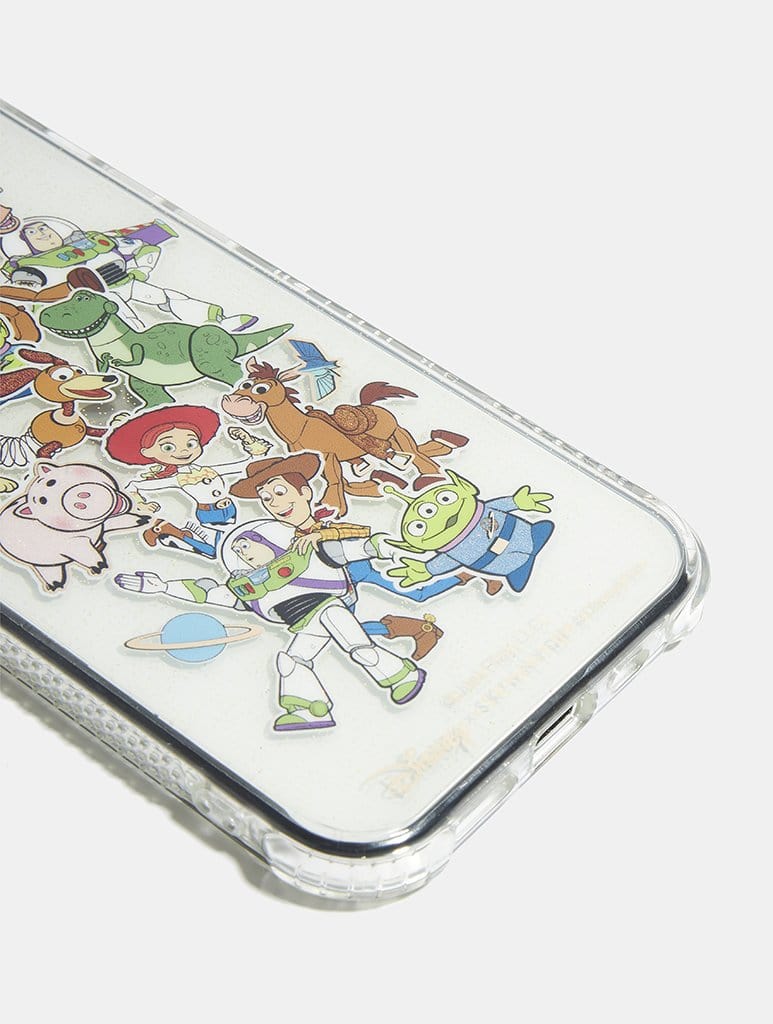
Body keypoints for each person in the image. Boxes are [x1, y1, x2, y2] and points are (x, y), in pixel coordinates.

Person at [115, 452, 433, 732]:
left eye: (247, 545)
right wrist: (162, 587)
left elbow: (350, 550)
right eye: (238, 551)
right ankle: (309, 709)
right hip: (304, 622)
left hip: (328, 607)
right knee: (290, 661)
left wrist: (380, 546)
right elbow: (207, 592)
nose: (243, 552)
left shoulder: (305, 550)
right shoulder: (248, 586)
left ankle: (401, 676)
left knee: (359, 647)